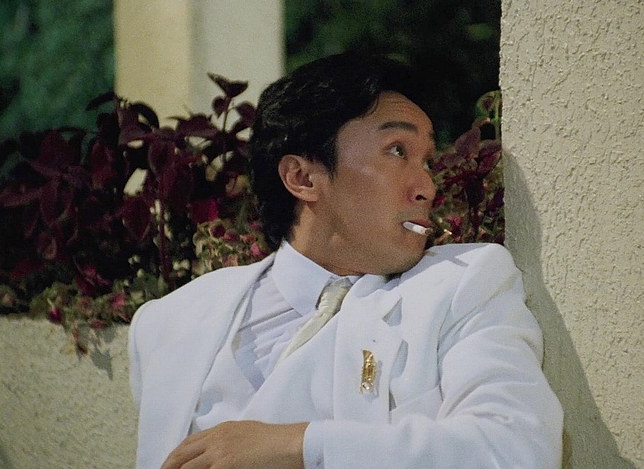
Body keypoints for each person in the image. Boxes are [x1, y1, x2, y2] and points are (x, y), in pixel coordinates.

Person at [128, 53, 563, 469]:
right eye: (397, 150)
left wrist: (301, 447)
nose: (427, 187)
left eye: (428, 161)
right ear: (302, 177)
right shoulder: (166, 325)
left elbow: (514, 451)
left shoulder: (463, 284)